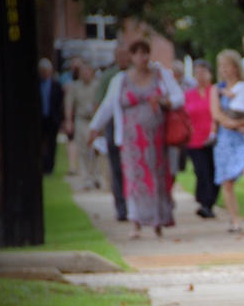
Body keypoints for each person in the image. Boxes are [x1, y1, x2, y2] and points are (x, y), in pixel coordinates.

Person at [88, 39, 184, 239]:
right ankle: (136, 221)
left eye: (145, 53)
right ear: (132, 56)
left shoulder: (161, 75)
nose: (143, 58)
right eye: (138, 53)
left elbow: (179, 97)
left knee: (157, 178)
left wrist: (164, 101)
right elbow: (108, 105)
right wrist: (94, 128)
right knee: (134, 179)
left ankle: (158, 219)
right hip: (131, 140)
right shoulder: (121, 79)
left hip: (156, 139)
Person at [210, 49, 244, 234]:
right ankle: (234, 219)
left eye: (228, 65)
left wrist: (241, 123)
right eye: (222, 66)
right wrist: (232, 123)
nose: (225, 70)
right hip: (226, 139)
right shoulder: (217, 90)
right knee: (227, 182)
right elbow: (217, 115)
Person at [96, 42, 131, 221]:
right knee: (116, 169)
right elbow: (101, 103)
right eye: (121, 55)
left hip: (132, 127)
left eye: (127, 55)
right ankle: (121, 208)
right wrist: (96, 128)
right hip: (113, 126)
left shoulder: (136, 73)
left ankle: (133, 205)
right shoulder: (110, 76)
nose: (124, 58)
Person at [183, 59, 220, 219]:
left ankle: (208, 202)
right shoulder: (188, 95)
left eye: (203, 72)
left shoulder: (216, 91)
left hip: (215, 138)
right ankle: (205, 203)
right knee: (202, 171)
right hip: (195, 140)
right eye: (197, 73)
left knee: (214, 171)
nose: (200, 76)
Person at [64, 61, 100, 190]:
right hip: (81, 120)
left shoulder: (97, 86)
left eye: (88, 71)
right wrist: (69, 121)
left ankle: (96, 175)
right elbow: (69, 105)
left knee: (96, 148)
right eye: (84, 71)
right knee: (83, 148)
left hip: (94, 120)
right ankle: (86, 177)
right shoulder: (75, 87)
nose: (86, 74)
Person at [39, 59, 65, 175]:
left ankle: (50, 167)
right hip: (40, 119)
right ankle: (40, 165)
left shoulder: (56, 85)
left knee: (52, 144)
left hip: (52, 119)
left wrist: (61, 119)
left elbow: (60, 103)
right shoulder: (37, 84)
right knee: (40, 143)